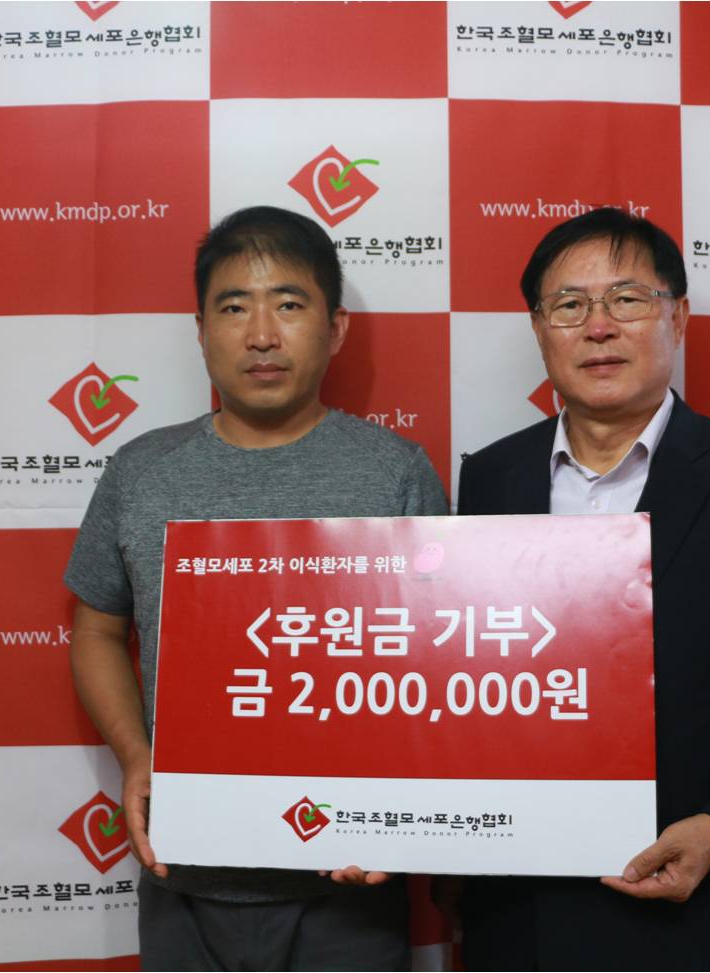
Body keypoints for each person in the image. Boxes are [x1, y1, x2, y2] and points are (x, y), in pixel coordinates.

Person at [452, 208, 710, 970]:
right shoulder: (490, 475)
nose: (597, 326)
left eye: (627, 299)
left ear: (678, 316)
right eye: (569, 305)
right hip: (511, 894)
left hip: (674, 890)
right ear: (539, 329)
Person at [65, 205, 448, 970]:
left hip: (348, 884)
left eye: (289, 305)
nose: (262, 334)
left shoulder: (394, 472)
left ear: (335, 329)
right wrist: (136, 754)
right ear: (200, 328)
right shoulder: (142, 471)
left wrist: (401, 810)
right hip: (185, 876)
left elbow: (440, 658)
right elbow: (97, 628)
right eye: (234, 307)